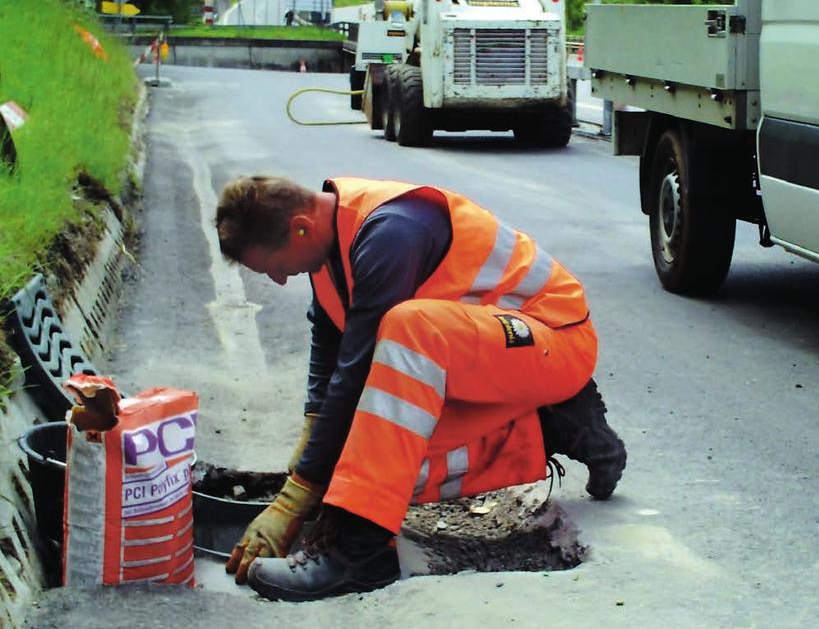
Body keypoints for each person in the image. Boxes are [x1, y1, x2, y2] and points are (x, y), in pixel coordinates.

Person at [214, 175, 626, 601]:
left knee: (410, 328)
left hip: (553, 342)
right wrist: (313, 431)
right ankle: (551, 428)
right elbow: (330, 336)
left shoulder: (392, 232)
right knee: (361, 465)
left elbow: (355, 371)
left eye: (275, 266)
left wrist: (294, 499)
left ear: (300, 226)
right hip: (492, 360)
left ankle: (360, 554)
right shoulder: (326, 243)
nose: (281, 280)